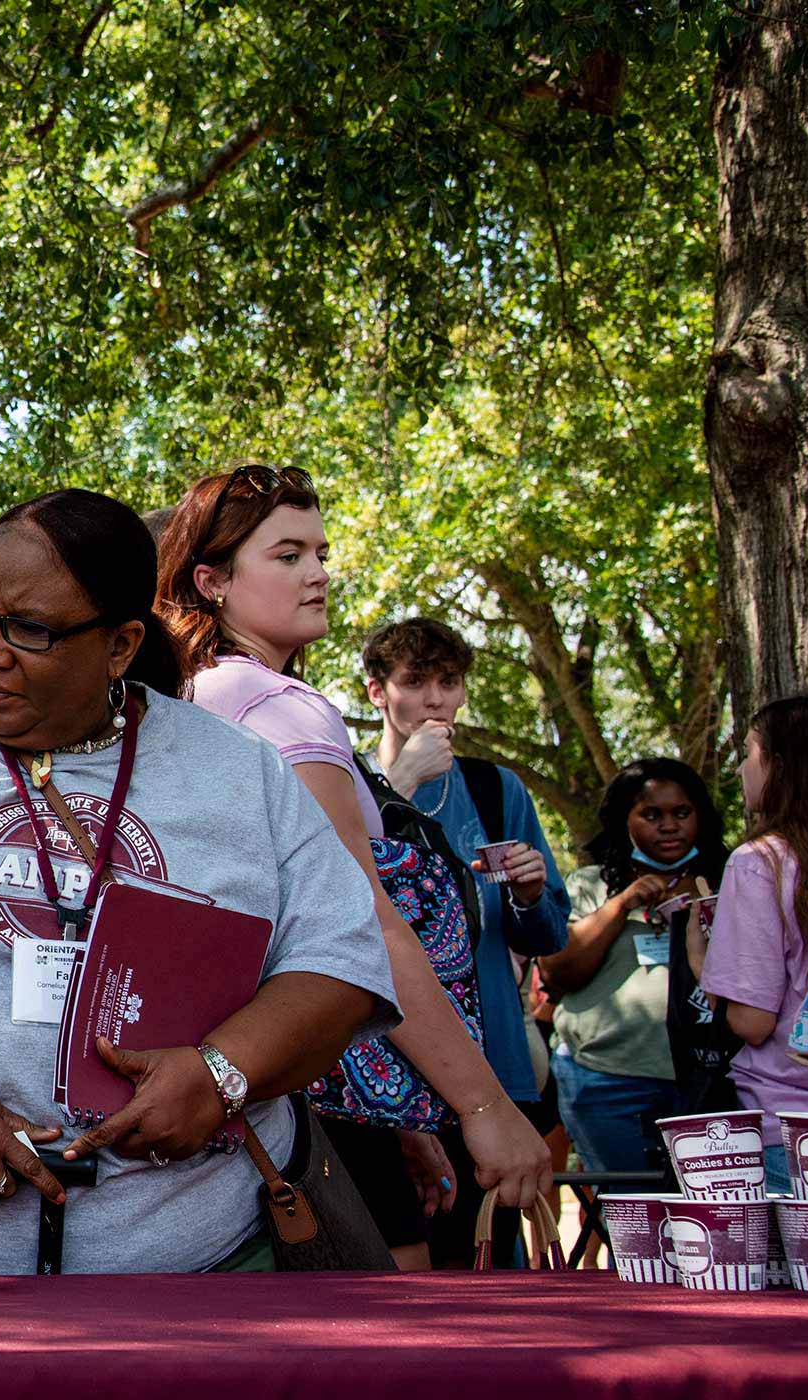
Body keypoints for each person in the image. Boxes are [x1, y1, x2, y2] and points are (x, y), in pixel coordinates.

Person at [0, 489, 400, 1275]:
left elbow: (340, 963)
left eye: (30, 630)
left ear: (120, 646)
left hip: (199, 1274)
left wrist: (222, 1074)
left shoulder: (241, 771)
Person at [158, 466, 554, 1270]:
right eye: (289, 555)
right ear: (213, 581)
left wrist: (397, 1115)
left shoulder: (188, 698)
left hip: (234, 1089)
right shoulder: (281, 709)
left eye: (322, 553)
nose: (319, 574)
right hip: (292, 1103)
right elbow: (362, 924)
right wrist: (481, 1106)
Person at [362, 616, 573, 1264]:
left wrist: (530, 894)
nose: (434, 699)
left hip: (497, 1064)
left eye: (448, 683)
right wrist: (398, 783)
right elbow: (340, 900)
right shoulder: (343, 781)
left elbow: (546, 934)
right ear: (377, 692)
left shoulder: (493, 787)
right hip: (386, 1073)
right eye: (415, 681)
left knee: (492, 1268)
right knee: (402, 1272)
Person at [537, 758, 729, 1172]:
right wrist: (623, 903)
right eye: (651, 814)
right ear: (624, 821)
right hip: (607, 1081)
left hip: (712, 1079)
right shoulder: (590, 885)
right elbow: (556, 971)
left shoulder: (725, 885)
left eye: (681, 813)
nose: (669, 825)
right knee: (635, 1218)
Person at [701, 695, 808, 1196]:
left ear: (781, 767)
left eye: (749, 752)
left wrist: (701, 961)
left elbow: (751, 1022)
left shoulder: (759, 863)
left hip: (790, 1125)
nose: (742, 768)